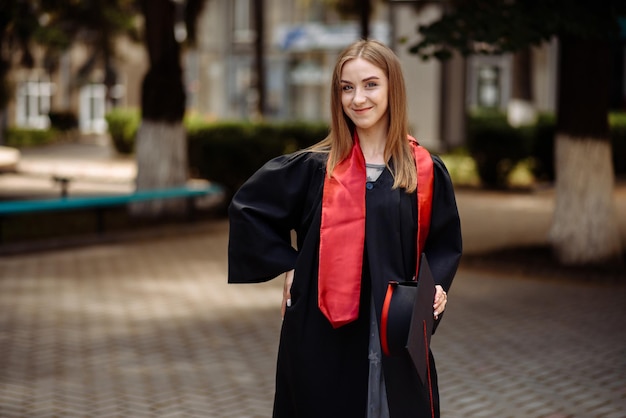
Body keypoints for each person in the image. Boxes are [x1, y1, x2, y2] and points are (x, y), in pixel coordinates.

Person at [228, 39, 462, 418]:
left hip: (393, 326)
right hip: (323, 329)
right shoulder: (314, 168)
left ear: (393, 89)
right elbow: (248, 209)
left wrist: (436, 287)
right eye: (347, 87)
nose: (358, 99)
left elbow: (443, 242)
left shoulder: (421, 171)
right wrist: (290, 264)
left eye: (371, 85)